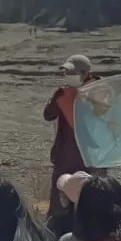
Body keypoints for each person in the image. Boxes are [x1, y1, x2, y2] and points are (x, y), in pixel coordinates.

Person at [43, 54, 97, 225]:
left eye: (71, 72)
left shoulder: (100, 92)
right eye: (65, 73)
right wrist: (57, 97)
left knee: (90, 202)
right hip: (64, 157)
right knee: (59, 205)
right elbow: (48, 115)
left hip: (91, 159)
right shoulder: (63, 94)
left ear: (84, 73)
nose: (67, 76)